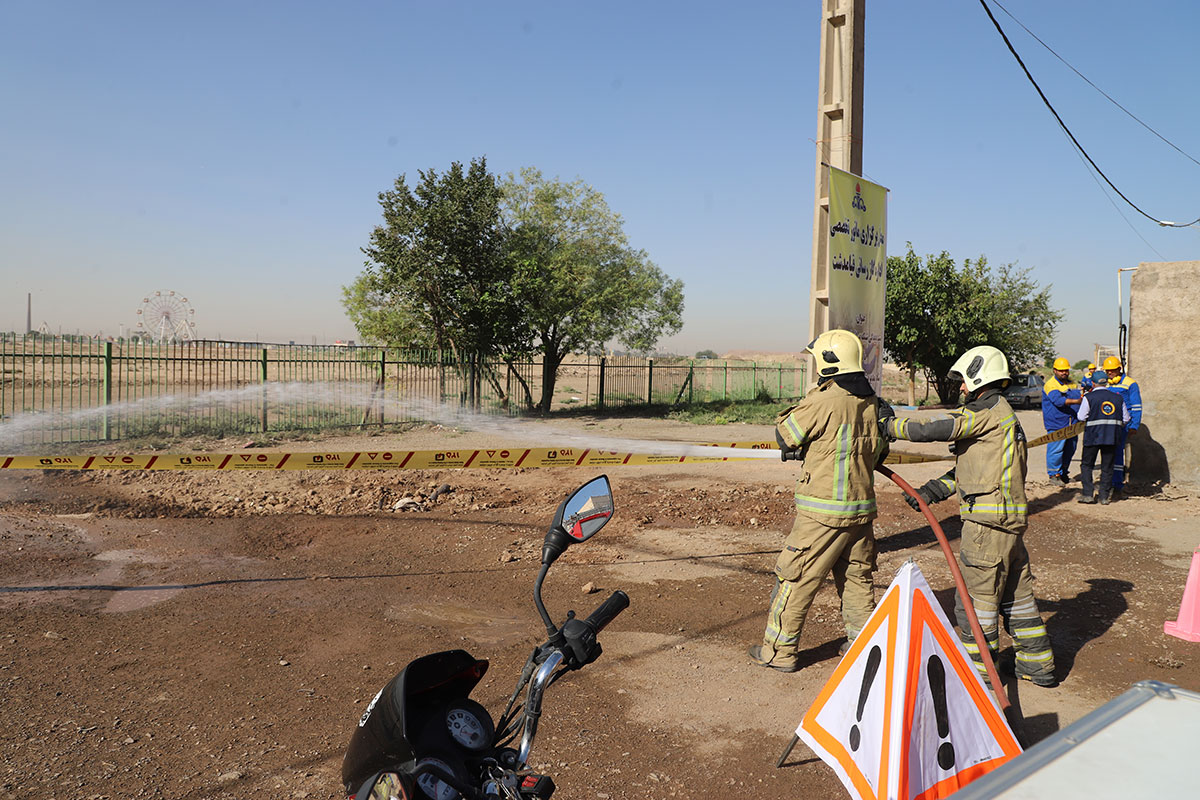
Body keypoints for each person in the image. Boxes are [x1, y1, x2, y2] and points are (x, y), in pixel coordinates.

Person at [881, 345, 1056, 687]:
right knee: (1017, 600)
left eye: (963, 381)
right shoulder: (1002, 415)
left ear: (979, 377)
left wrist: (891, 427)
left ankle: (977, 678)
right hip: (1007, 528)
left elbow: (939, 428)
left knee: (976, 607)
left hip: (986, 529)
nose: (961, 388)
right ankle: (1037, 665)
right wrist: (934, 490)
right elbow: (976, 470)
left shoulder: (986, 412)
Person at [749, 329, 892, 673]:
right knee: (857, 579)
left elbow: (787, 435)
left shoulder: (825, 399)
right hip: (860, 511)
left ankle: (778, 653)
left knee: (796, 579)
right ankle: (863, 647)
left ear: (829, 362)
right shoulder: (874, 404)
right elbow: (880, 452)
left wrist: (809, 403)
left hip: (822, 513)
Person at [1076, 371, 1130, 505]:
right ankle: (1104, 497)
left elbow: (1081, 417)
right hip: (1111, 437)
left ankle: (1088, 494)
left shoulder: (1089, 397)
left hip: (1093, 436)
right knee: (1107, 467)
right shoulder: (1118, 398)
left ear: (1093, 383)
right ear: (1106, 382)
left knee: (1087, 465)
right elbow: (1126, 418)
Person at [1101, 356, 1142, 494]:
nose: (1110, 373)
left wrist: (1134, 425)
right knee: (1107, 453)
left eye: (1112, 370)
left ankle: (1117, 484)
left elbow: (1136, 406)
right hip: (1107, 424)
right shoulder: (1106, 383)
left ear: (1119, 368)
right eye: (1108, 371)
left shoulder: (1130, 384)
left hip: (1122, 425)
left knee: (1118, 453)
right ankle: (1107, 481)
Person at [1041, 357, 1081, 487]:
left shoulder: (1072, 384)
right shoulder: (1050, 385)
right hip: (1057, 423)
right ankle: (1054, 475)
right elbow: (1058, 401)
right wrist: (1077, 401)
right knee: (1056, 450)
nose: (1064, 373)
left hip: (1072, 423)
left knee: (1070, 449)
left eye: (1066, 370)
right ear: (1054, 370)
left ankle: (1063, 473)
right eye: (1061, 371)